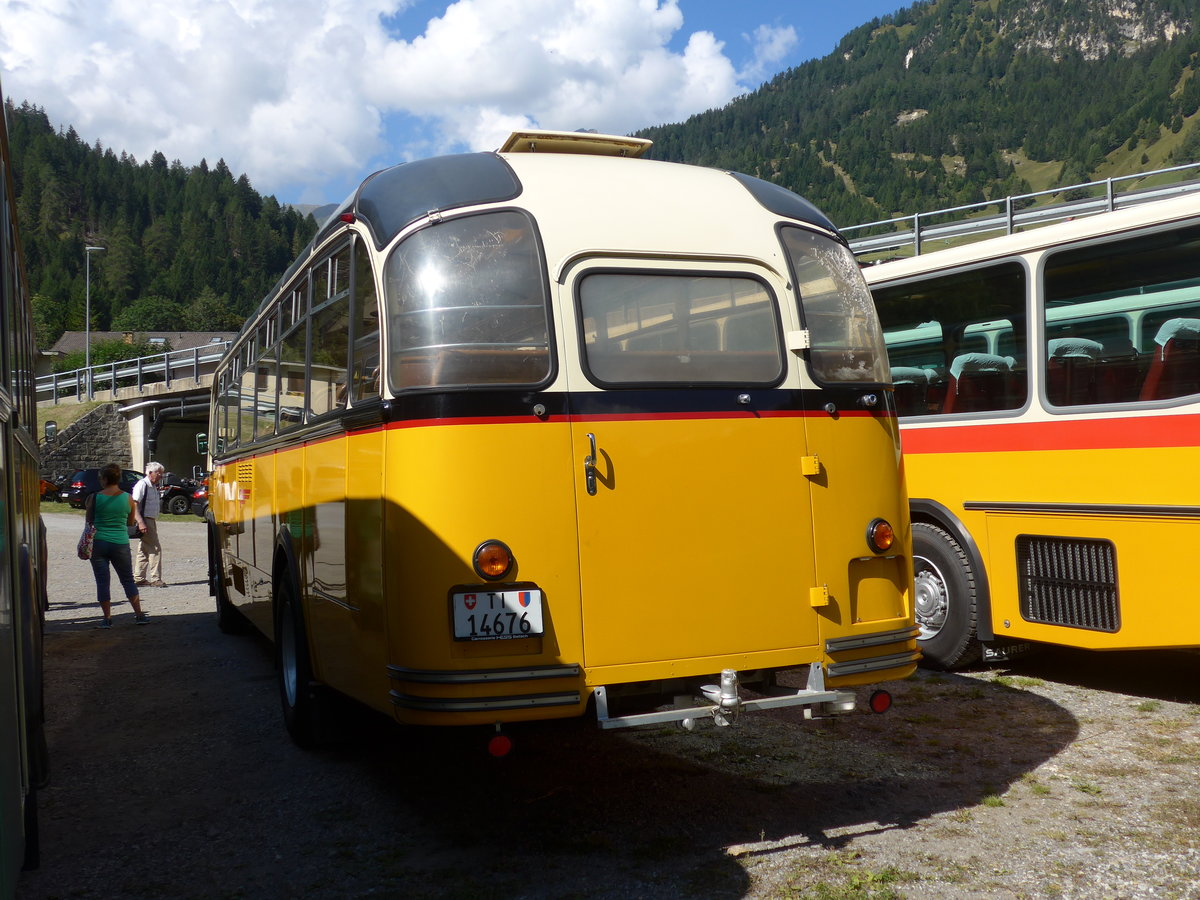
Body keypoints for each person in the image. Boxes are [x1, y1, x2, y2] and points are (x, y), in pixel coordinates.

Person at [86, 463, 149, 627]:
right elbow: (130, 522)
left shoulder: (94, 497)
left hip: (99, 542)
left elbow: (89, 520)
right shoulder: (128, 498)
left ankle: (107, 618)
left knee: (102, 581)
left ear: (105, 479)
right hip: (120, 543)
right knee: (127, 579)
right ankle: (139, 615)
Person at [132, 461, 167, 587]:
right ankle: (155, 578)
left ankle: (139, 578)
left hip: (150, 519)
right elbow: (134, 504)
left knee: (143, 549)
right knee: (155, 548)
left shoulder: (152, 486)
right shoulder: (142, 484)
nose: (161, 476)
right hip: (145, 519)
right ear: (151, 473)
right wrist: (141, 522)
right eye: (159, 473)